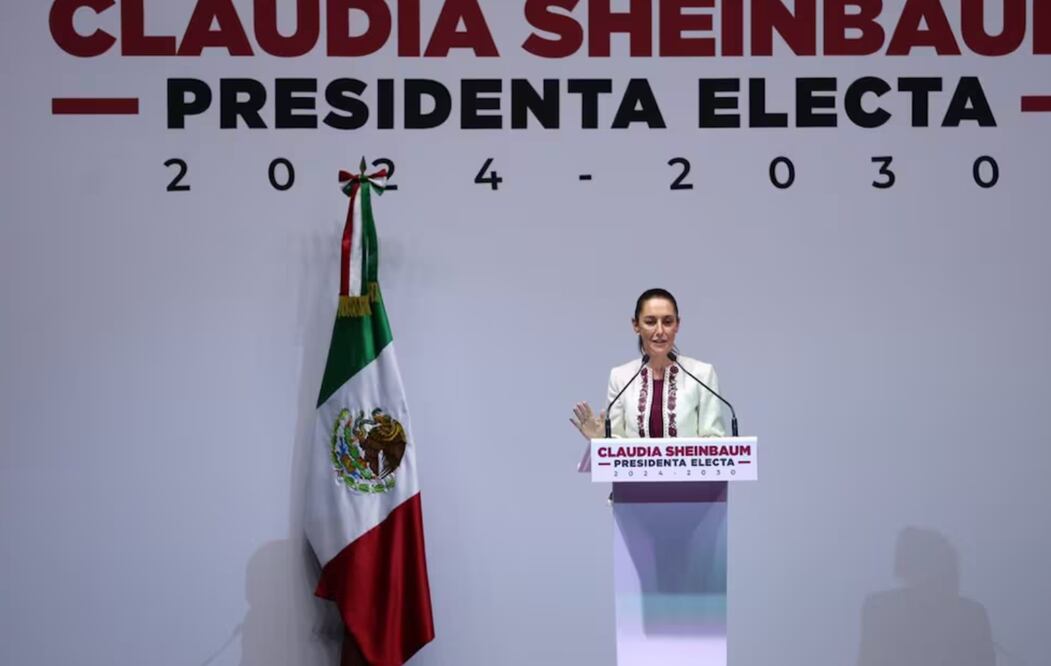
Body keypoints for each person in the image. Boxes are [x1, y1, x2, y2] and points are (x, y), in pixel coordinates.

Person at [570, 288, 726, 470]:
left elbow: (716, 442)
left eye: (668, 322)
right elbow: (617, 444)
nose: (660, 331)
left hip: (692, 493)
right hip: (632, 494)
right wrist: (601, 442)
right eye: (650, 322)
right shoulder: (621, 377)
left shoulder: (702, 374)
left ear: (677, 325)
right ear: (636, 325)